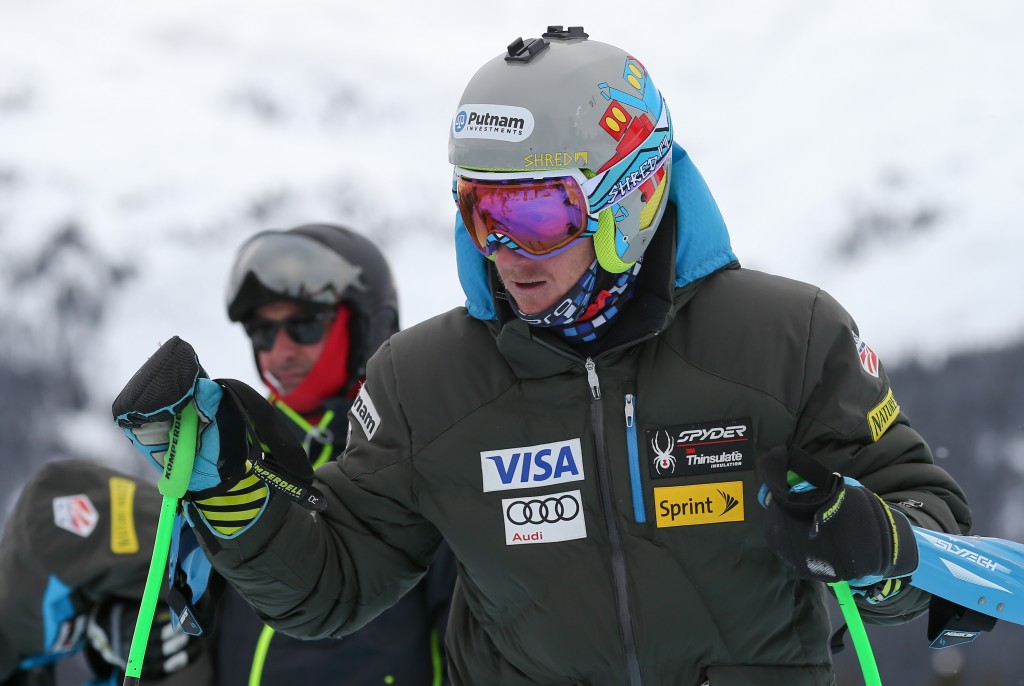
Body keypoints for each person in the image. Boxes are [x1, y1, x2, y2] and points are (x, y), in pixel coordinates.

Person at [110, 27, 971, 686]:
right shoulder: (426, 384)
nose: (505, 252)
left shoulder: (787, 336)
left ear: (630, 196)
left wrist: (878, 548)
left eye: (535, 214)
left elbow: (931, 538)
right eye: (480, 212)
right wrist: (230, 496)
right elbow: (331, 588)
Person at [0, 224, 456, 686]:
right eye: (263, 333)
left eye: (303, 325)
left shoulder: (413, 466)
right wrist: (128, 631)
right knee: (58, 508)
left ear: (367, 324)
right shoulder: (239, 461)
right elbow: (211, 606)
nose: (280, 352)